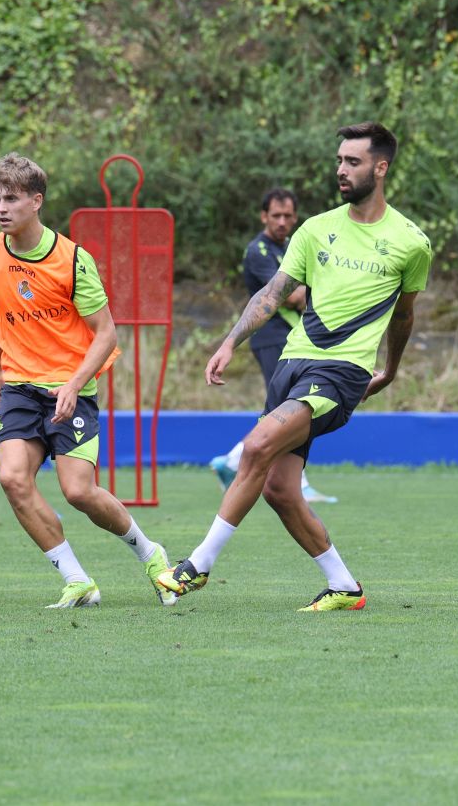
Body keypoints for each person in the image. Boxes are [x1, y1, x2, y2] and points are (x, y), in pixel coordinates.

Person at [156, 122, 432, 611]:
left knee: (256, 445)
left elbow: (404, 315)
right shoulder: (316, 228)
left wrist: (389, 369)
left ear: (380, 167)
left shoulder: (411, 242)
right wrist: (230, 342)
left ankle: (197, 566)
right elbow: (273, 293)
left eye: (353, 162)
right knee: (281, 489)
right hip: (291, 365)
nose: (341, 170)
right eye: (339, 160)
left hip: (340, 373)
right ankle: (345, 587)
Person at [0, 152, 177, 609]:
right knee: (12, 478)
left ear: (36, 201)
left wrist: (72, 385)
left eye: (11, 199)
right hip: (19, 386)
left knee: (78, 492)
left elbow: (106, 334)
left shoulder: (72, 260)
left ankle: (150, 554)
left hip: (70, 388)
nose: (1, 208)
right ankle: (76, 580)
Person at [209, 187, 338, 505]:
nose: (282, 221)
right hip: (270, 338)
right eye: (276, 215)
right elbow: (291, 296)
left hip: (293, 338)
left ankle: (231, 460)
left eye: (287, 216)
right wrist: (325, 291)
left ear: (295, 217)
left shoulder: (291, 246)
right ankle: (297, 482)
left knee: (285, 408)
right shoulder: (259, 251)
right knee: (291, 408)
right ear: (263, 216)